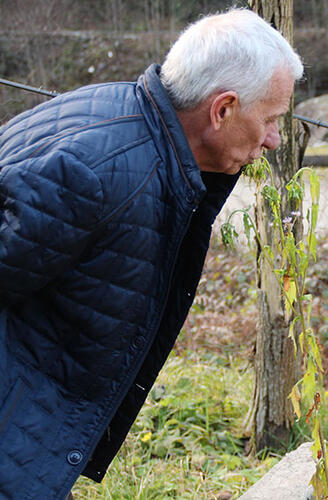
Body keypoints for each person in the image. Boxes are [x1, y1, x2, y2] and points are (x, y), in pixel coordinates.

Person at [0, 8, 303, 499]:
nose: (273, 138)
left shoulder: (136, 127)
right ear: (222, 109)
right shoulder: (94, 174)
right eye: (269, 119)